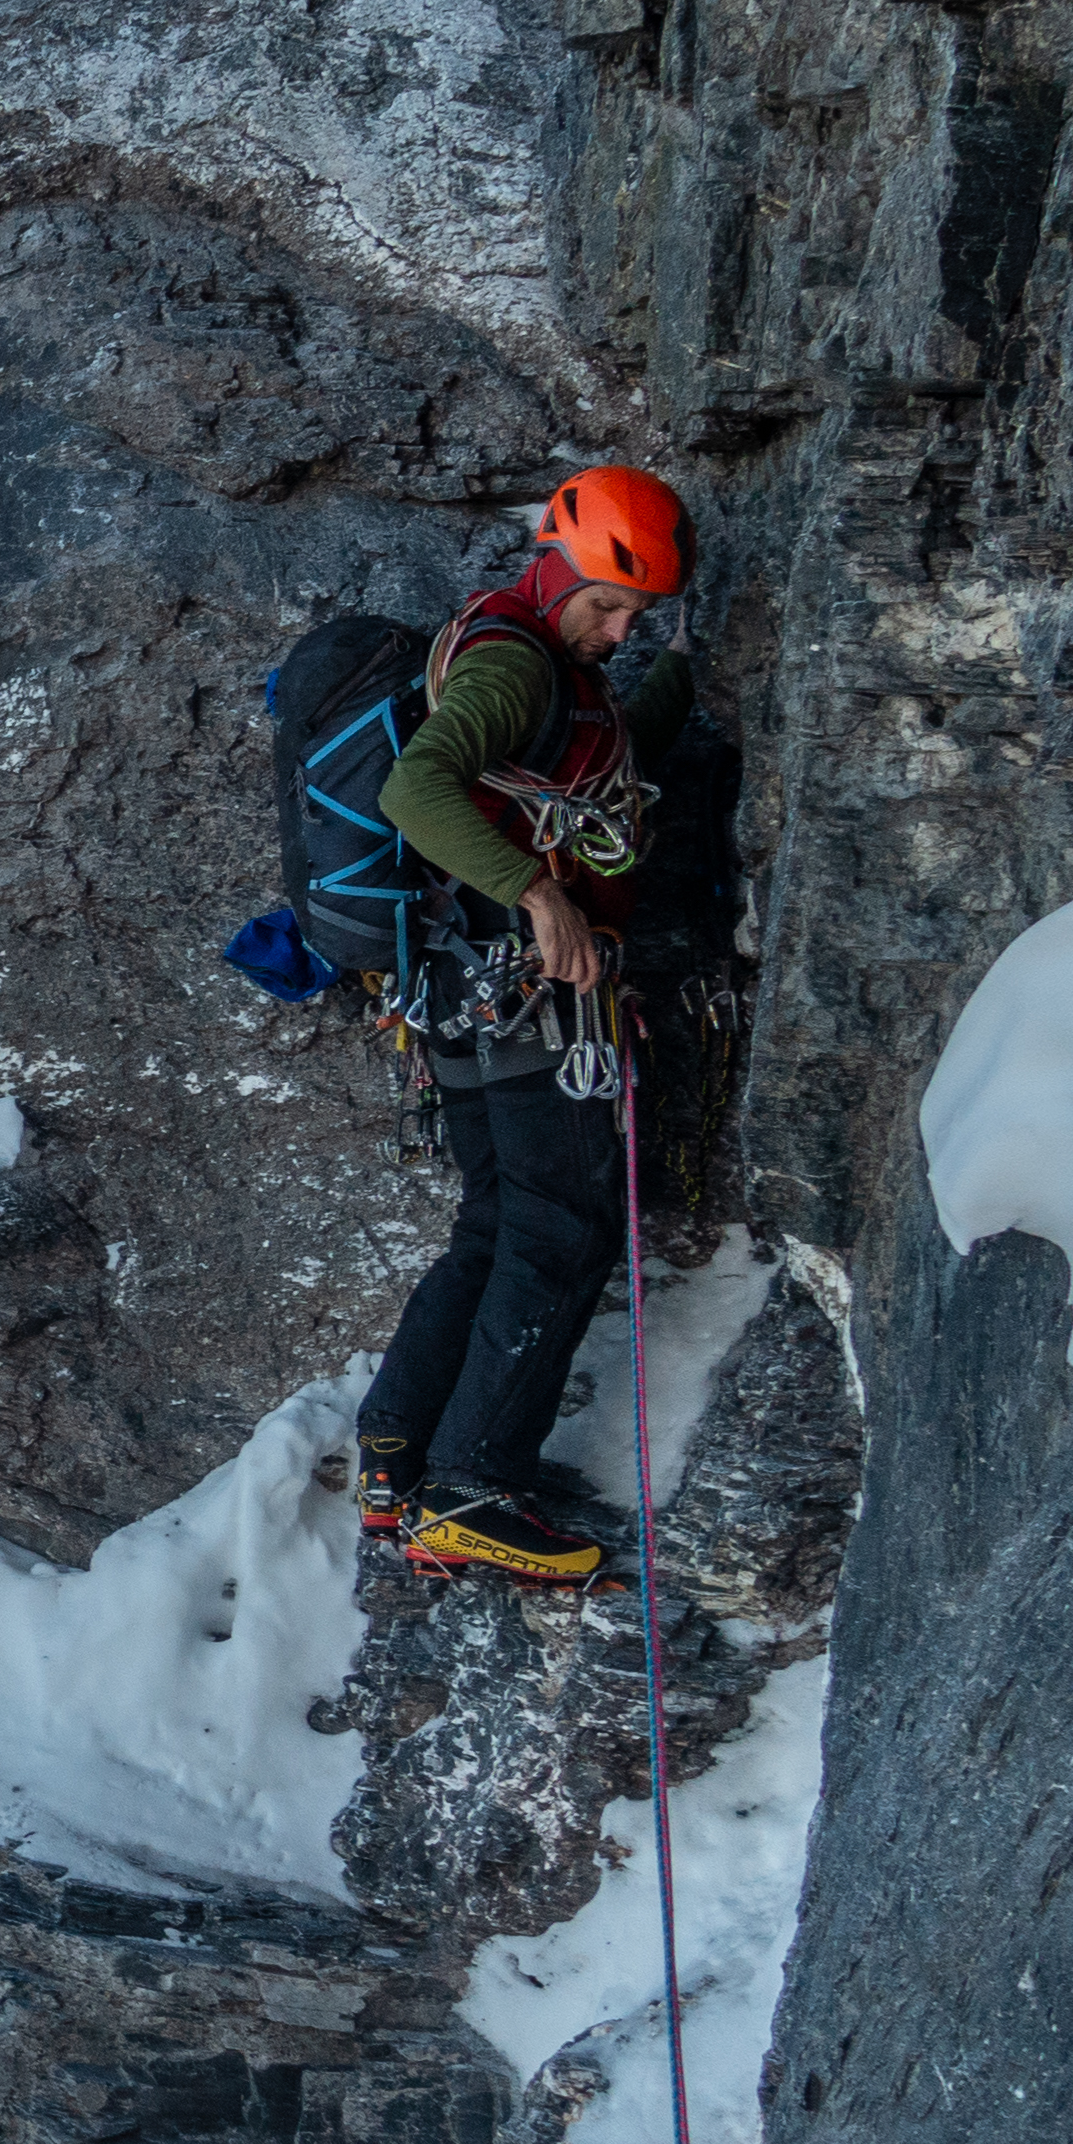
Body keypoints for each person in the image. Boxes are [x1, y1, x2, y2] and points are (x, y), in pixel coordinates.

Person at [356, 466, 699, 1586]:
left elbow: (595, 766)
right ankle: (472, 1483)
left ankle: (396, 1458)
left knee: (499, 1222)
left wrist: (684, 680)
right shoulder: (513, 663)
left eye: (637, 614)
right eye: (607, 603)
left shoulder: (537, 664)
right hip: (525, 985)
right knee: (558, 1230)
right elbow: (420, 790)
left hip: (461, 986)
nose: (619, 627)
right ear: (554, 568)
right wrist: (543, 894)